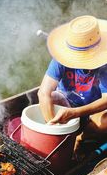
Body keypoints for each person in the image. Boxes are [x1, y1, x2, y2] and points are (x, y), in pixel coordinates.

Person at [37, 15, 107, 149]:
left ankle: (81, 138)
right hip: (66, 102)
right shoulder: (61, 59)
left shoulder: (105, 64)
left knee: (105, 122)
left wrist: (76, 113)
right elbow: (44, 92)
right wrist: (55, 128)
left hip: (93, 108)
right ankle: (65, 139)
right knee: (50, 98)